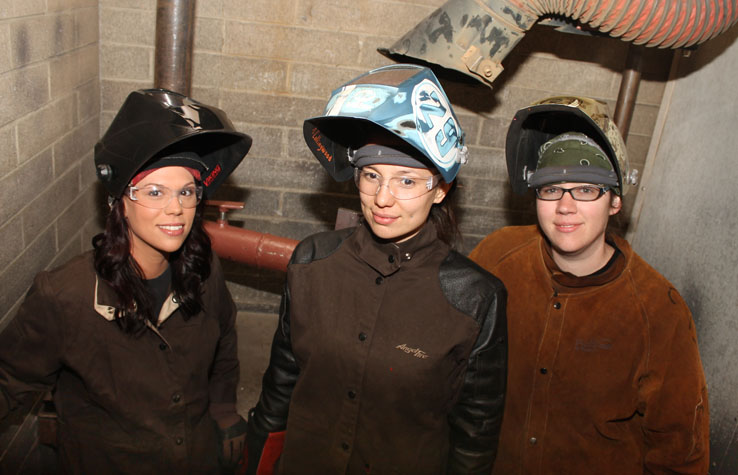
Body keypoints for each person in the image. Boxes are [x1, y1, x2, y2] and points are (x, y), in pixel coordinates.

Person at [242, 64, 507, 474]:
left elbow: (475, 434)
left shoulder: (474, 297)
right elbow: (281, 383)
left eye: (406, 181)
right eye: (371, 176)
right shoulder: (313, 262)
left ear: (440, 189)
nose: (383, 198)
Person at [0, 89, 253, 473]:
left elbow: (225, 338)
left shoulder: (203, 271)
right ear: (119, 201)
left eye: (186, 192)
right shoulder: (66, 297)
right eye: (155, 192)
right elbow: (9, 381)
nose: (176, 208)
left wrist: (221, 408)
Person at [469, 96, 710, 474]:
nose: (565, 206)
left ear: (615, 201)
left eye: (585, 190)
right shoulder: (495, 257)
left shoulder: (658, 312)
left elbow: (679, 450)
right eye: (551, 189)